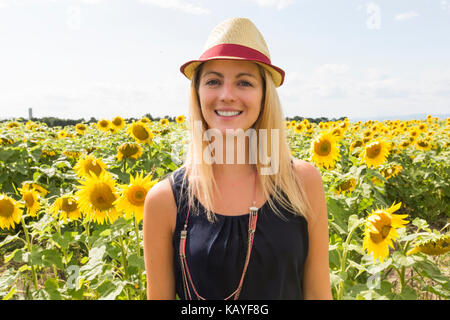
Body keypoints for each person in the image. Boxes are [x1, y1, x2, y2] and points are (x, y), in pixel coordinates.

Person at [143, 17, 332, 300]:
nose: (227, 95)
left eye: (244, 82)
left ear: (265, 95)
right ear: (197, 92)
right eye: (213, 81)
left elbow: (318, 294)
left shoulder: (302, 182)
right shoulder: (165, 200)